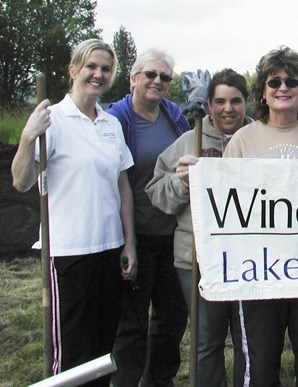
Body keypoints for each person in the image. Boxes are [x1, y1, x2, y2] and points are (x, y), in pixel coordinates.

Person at [11, 38, 136, 386]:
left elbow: (122, 185)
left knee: (101, 349)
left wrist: (129, 243)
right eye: (91, 67)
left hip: (109, 248)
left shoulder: (110, 124)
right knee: (71, 351)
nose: (98, 74)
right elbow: (21, 182)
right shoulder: (52, 121)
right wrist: (27, 138)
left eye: (105, 69)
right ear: (73, 70)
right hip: (69, 252)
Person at [223, 46, 298, 386]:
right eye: (274, 81)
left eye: (292, 81)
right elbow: (225, 201)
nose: (283, 88)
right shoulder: (243, 141)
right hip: (257, 270)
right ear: (263, 90)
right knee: (259, 364)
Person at [145, 68, 254, 386]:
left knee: (247, 342)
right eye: (219, 101)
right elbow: (156, 193)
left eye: (236, 101)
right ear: (208, 104)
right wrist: (180, 182)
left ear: (246, 102)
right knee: (207, 340)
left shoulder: (257, 138)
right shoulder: (187, 141)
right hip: (196, 258)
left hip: (247, 256)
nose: (228, 109)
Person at [107, 48, 189, 386]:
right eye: (150, 75)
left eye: (165, 77)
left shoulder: (174, 116)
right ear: (133, 78)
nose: (157, 81)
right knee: (133, 321)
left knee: (172, 318)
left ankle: (159, 379)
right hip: (135, 234)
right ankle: (127, 380)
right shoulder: (116, 120)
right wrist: (127, 240)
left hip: (173, 235)